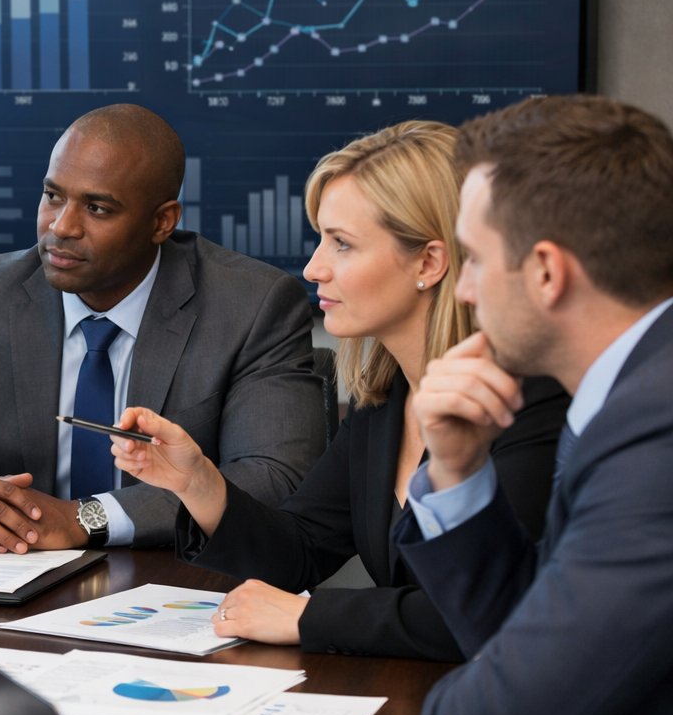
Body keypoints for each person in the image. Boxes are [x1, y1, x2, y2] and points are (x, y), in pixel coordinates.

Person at [110, 122, 566, 660]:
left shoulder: (536, 402)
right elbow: (302, 551)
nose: (312, 269)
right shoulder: (385, 403)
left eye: (342, 245)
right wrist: (198, 484)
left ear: (429, 262)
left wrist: (310, 617)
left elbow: (490, 610)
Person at [392, 95, 673, 715]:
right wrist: (458, 467)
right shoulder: (631, 398)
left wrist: (472, 696)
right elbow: (524, 635)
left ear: (547, 272)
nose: (466, 292)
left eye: (475, 259)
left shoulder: (656, 440)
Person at [0, 104, 323, 551]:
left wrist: (86, 518)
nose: (61, 227)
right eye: (53, 196)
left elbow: (274, 478)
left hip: (180, 589)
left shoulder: (252, 306)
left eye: (97, 208)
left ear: (162, 222)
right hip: (17, 586)